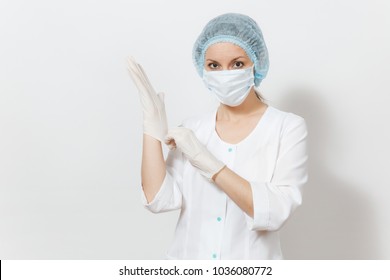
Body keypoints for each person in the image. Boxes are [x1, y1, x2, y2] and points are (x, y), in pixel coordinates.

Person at [127, 13, 308, 260]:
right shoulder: (192, 129)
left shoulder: (287, 127)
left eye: (237, 64)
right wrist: (151, 128)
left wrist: (209, 163)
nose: (225, 73)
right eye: (214, 65)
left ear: (256, 62)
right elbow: (159, 200)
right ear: (203, 68)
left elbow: (275, 212)